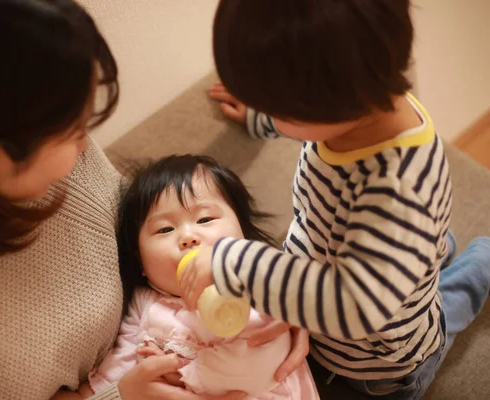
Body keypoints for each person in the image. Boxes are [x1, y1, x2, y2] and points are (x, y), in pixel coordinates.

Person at [0, 1, 268, 399]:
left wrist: (279, 299)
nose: (86, 144)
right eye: (72, 132)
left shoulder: (70, 169)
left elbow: (165, 224)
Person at [179, 1, 490, 399]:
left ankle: (477, 263)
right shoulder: (354, 110)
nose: (271, 116)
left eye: (276, 109)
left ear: (338, 98)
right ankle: (427, 249)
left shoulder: (396, 192)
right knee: (406, 256)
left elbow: (354, 309)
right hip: (345, 268)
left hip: (380, 364)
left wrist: (232, 262)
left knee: (450, 302)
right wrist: (261, 116)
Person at [89, 155, 319, 399]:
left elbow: (261, 362)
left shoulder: (258, 283)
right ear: (140, 261)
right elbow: (122, 360)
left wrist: (187, 377)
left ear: (243, 236)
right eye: (165, 229)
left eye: (205, 219)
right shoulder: (142, 302)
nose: (189, 237)